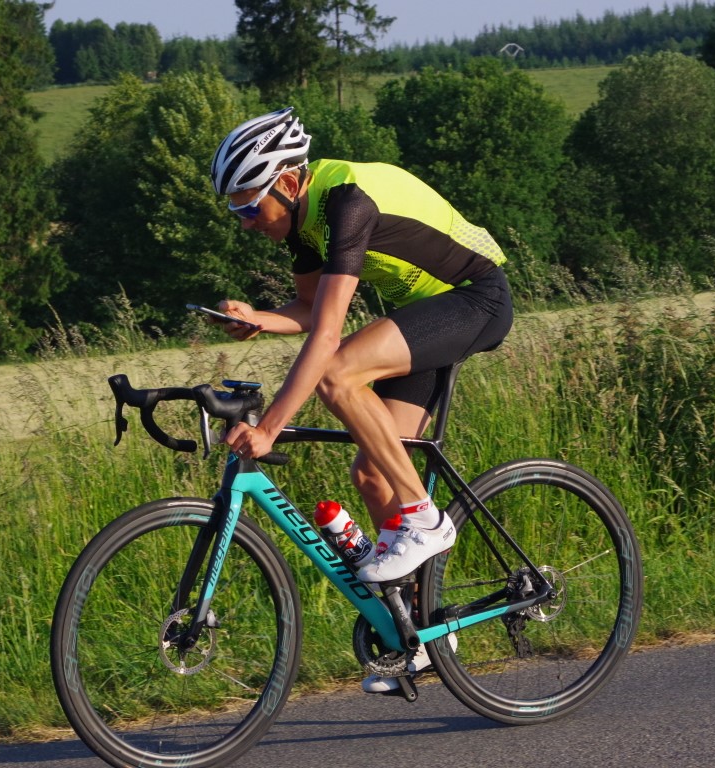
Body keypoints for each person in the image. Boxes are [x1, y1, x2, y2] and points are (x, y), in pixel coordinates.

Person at [210, 107, 513, 692]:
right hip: (426, 315)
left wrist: (269, 428)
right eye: (235, 211)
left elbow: (327, 336)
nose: (245, 223)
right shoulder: (302, 223)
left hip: (475, 299)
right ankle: (424, 636)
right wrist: (260, 319)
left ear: (288, 182)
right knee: (373, 475)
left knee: (338, 376)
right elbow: (308, 311)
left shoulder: (346, 203)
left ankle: (426, 519)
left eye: (249, 207)